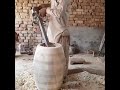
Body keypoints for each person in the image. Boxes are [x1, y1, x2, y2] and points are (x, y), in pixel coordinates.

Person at [39, 0, 70, 81]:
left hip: (61, 32)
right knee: (53, 57)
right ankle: (55, 76)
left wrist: (46, 10)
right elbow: (54, 7)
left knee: (62, 57)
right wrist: (44, 6)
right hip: (53, 31)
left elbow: (59, 13)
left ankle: (62, 78)